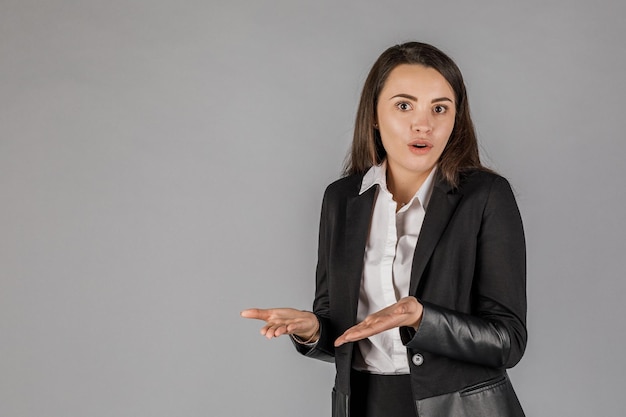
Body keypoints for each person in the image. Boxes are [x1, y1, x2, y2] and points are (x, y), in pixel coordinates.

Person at [241, 41, 527, 417]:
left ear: (456, 118)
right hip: (364, 405)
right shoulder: (341, 200)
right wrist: (312, 330)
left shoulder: (486, 196)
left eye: (440, 108)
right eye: (404, 105)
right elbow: (342, 331)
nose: (423, 124)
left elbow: (508, 341)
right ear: (374, 115)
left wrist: (421, 318)